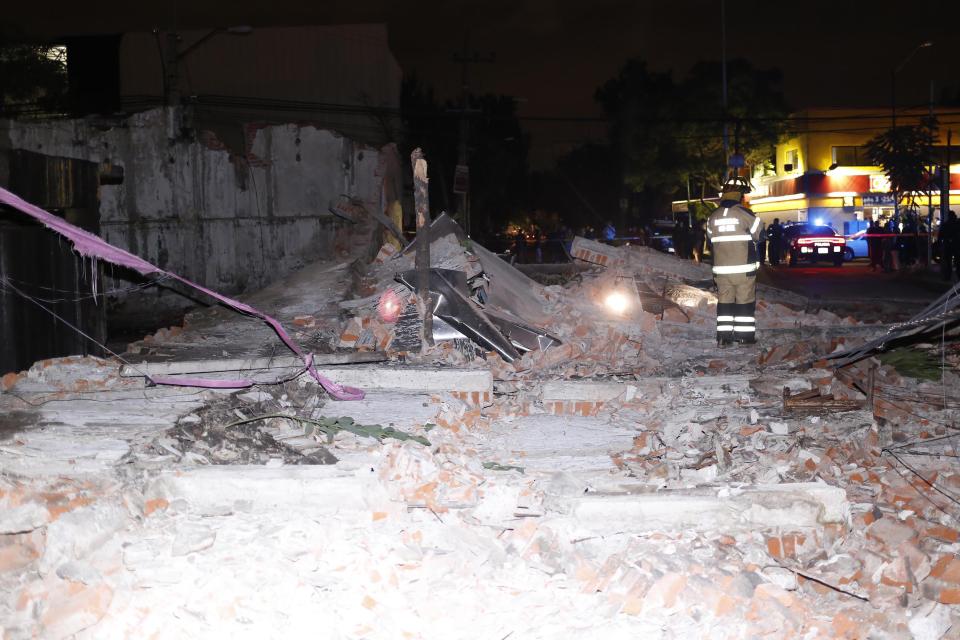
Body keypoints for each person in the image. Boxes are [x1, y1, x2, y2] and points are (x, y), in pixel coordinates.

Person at [706, 177, 761, 346]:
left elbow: (709, 242)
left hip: (721, 271)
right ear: (739, 196)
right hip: (743, 270)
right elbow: (759, 235)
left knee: (725, 304)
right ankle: (744, 337)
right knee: (744, 302)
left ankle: (723, 338)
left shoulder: (712, 217)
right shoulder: (745, 214)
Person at [940, 211, 960, 280]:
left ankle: (948, 276)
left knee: (948, 261)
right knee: (957, 261)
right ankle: (958, 275)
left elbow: (941, 235)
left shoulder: (945, 225)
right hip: (956, 244)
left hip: (948, 245)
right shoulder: (957, 224)